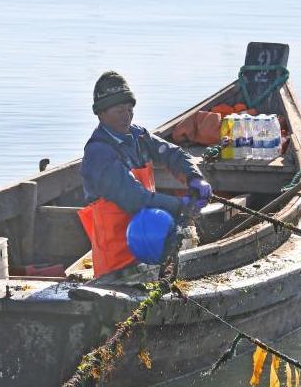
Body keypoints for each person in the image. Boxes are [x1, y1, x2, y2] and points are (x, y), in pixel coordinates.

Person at [79, 71, 212, 283]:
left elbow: (173, 154)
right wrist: (182, 205)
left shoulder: (138, 136)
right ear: (101, 113)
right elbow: (135, 199)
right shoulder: (98, 153)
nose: (127, 116)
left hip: (149, 248)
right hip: (116, 263)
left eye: (130, 109)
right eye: (119, 110)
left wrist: (195, 178)